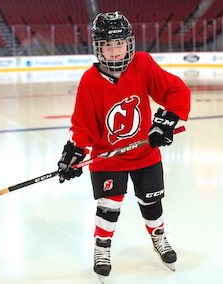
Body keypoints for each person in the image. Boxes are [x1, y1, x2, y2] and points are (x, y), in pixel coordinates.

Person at [57, 11, 191, 280]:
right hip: (108, 157)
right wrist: (75, 152)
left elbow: (176, 91)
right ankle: (102, 248)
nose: (115, 51)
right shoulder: (89, 80)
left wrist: (165, 122)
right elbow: (82, 124)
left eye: (120, 44)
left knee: (152, 203)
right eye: (108, 45)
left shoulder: (142, 63)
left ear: (129, 43)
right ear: (98, 47)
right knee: (109, 207)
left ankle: (159, 238)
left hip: (145, 153)